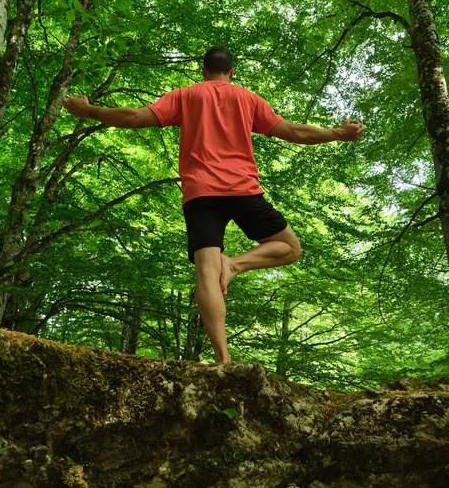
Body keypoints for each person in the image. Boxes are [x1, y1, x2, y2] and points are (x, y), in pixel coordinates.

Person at [63, 47, 364, 364]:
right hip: (243, 190)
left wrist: (90, 111)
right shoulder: (248, 99)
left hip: (201, 194)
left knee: (207, 272)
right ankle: (234, 265)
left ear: (203, 70)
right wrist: (338, 133)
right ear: (231, 72)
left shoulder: (185, 96)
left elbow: (136, 117)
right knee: (290, 248)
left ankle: (223, 360)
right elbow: (293, 132)